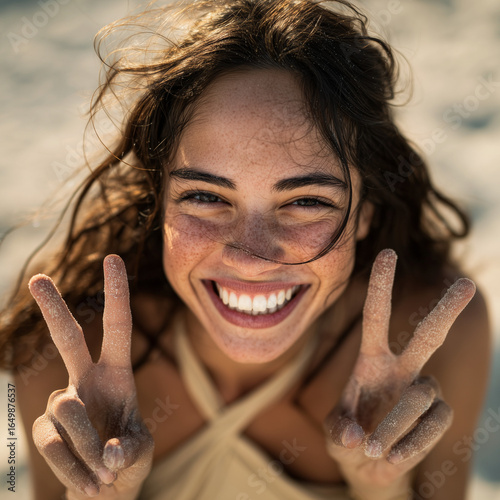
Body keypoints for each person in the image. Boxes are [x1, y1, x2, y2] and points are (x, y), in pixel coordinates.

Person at [0, 0, 491, 499]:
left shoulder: (433, 335)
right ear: (158, 203)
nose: (252, 257)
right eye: (207, 196)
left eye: (306, 201)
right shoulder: (69, 338)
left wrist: (380, 485)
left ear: (365, 211)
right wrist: (102, 494)